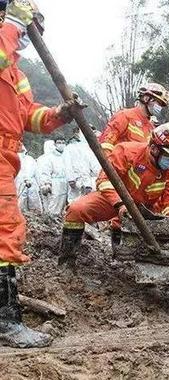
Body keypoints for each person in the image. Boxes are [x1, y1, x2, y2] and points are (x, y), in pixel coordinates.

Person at [0, 1, 84, 348]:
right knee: (5, 229)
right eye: (26, 30)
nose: (25, 38)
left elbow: (30, 117)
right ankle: (5, 321)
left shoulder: (16, 75)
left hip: (7, 153)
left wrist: (60, 114)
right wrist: (12, 26)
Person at [61, 123, 169, 267]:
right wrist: (120, 203)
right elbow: (104, 180)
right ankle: (67, 261)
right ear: (154, 149)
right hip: (114, 199)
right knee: (76, 209)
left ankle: (127, 255)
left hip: (145, 210)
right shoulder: (127, 152)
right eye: (168, 157)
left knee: (146, 241)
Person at [99, 83, 169, 153]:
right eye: (158, 103)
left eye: (162, 105)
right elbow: (105, 144)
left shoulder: (152, 129)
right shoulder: (124, 116)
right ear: (146, 98)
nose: (160, 107)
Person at [63, 128, 101, 202]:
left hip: (91, 180)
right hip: (78, 180)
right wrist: (71, 179)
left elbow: (96, 167)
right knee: (75, 201)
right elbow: (67, 165)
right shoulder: (71, 148)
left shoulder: (91, 147)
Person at [36, 138, 68, 215]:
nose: (61, 144)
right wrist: (46, 183)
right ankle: (51, 220)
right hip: (55, 183)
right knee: (53, 203)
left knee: (62, 205)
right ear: (55, 144)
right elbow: (45, 172)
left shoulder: (66, 156)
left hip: (65, 183)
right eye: (59, 142)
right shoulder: (49, 158)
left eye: (63, 142)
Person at [15, 144, 42, 213]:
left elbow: (37, 173)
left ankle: (35, 218)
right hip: (19, 183)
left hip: (32, 184)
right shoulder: (14, 159)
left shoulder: (30, 159)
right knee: (20, 203)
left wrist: (40, 185)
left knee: (34, 202)